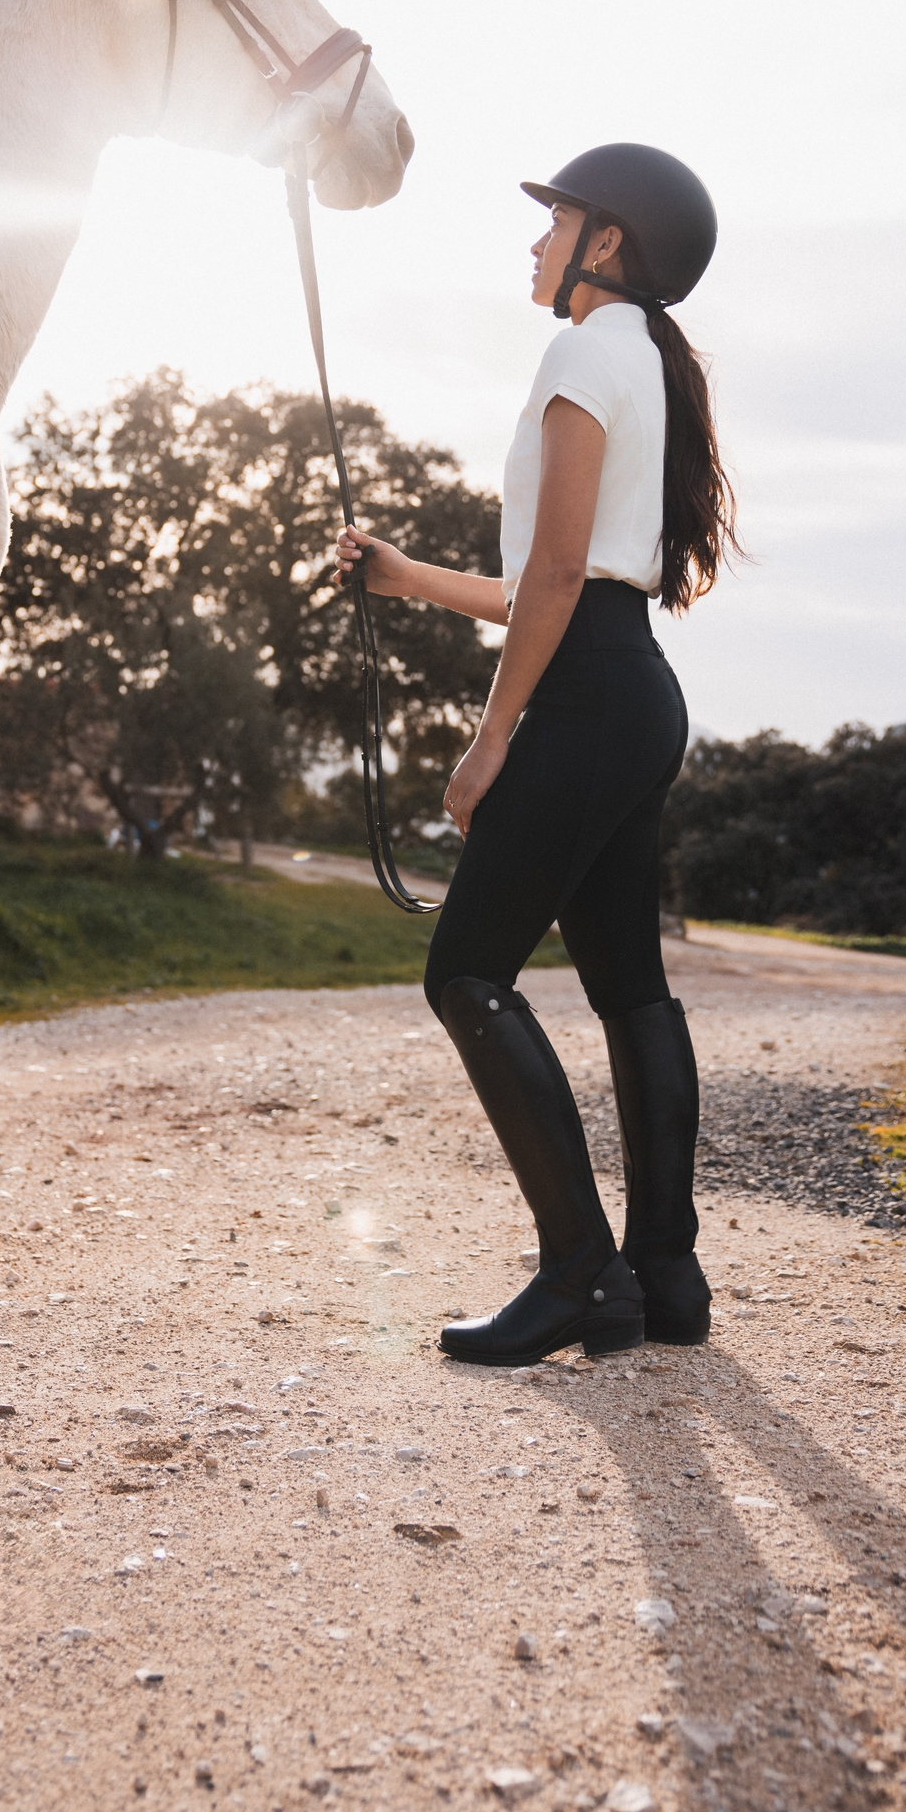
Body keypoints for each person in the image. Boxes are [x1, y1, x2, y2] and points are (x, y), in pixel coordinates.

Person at [334, 143, 739, 1365]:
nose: (534, 240)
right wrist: (406, 579)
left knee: (464, 973)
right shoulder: (644, 363)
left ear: (602, 244)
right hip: (633, 689)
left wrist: (487, 737)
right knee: (629, 985)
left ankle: (578, 1275)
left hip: (580, 701)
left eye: (552, 219)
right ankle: (664, 1274)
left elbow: (557, 575)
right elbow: (561, 581)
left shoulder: (579, 350)